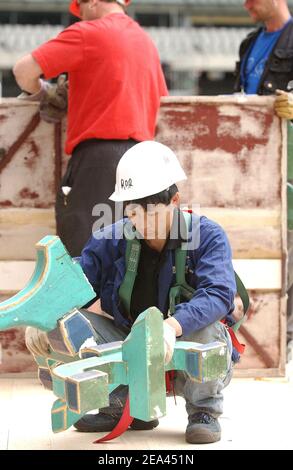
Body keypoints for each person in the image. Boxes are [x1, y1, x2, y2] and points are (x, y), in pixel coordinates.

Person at [26, 140, 237, 444]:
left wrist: (172, 326)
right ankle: (126, 404)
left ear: (174, 201)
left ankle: (203, 410)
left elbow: (218, 293)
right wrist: (44, 314)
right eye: (134, 212)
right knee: (71, 325)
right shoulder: (112, 239)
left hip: (183, 346)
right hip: (129, 345)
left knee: (206, 328)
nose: (142, 222)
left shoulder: (206, 236)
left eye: (152, 212)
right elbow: (75, 283)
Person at [13, 0, 168, 257]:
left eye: (81, 9)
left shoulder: (89, 32)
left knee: (86, 259)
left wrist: (43, 93)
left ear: (94, 1)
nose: (81, 16)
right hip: (142, 163)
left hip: (99, 161)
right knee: (130, 259)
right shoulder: (146, 43)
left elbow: (23, 71)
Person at [234, 0, 293, 347]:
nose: (246, 5)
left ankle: (282, 331)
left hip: (287, 160)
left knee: (286, 240)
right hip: (254, 160)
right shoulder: (249, 42)